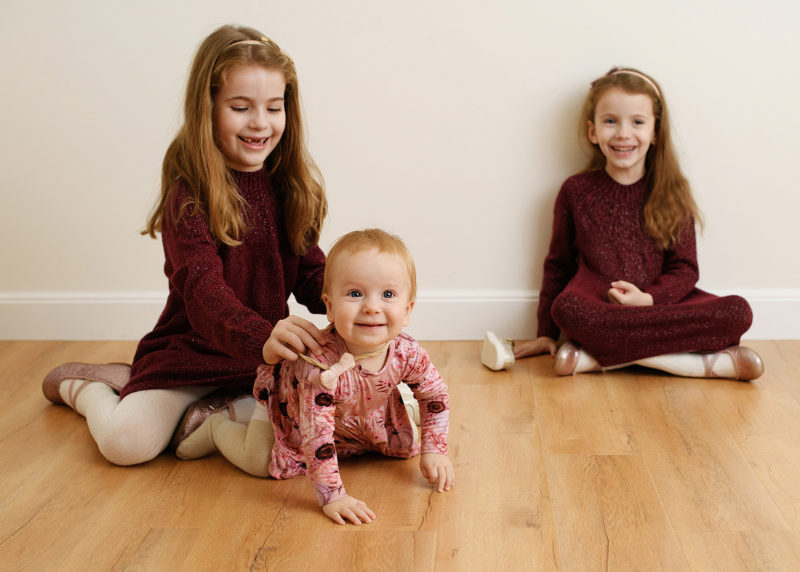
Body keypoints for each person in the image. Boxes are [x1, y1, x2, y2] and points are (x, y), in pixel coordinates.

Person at [41, 24, 331, 465]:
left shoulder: (289, 188)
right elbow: (204, 294)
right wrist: (262, 336)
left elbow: (311, 275)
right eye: (240, 107)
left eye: (274, 107)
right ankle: (92, 389)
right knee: (126, 445)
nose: (260, 122)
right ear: (208, 108)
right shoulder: (190, 196)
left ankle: (208, 416)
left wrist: (358, 294)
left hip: (260, 362)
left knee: (303, 430)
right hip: (190, 356)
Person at [482, 67, 763, 381]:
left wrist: (649, 300)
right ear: (593, 131)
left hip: (660, 305)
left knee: (737, 311)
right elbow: (558, 264)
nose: (623, 133)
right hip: (599, 306)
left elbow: (685, 268)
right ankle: (704, 365)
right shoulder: (575, 191)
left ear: (655, 132)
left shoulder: (673, 191)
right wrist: (546, 333)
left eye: (638, 122)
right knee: (568, 310)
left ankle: (594, 360)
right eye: (610, 121)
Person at [174, 229, 455, 525]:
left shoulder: (407, 353)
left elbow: (434, 395)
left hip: (357, 414)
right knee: (259, 461)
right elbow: (315, 434)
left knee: (402, 438)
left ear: (407, 310)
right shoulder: (318, 368)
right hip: (291, 411)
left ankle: (390, 419)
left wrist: (435, 450)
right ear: (330, 307)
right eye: (355, 294)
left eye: (387, 295)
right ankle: (216, 426)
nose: (372, 307)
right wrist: (333, 495)